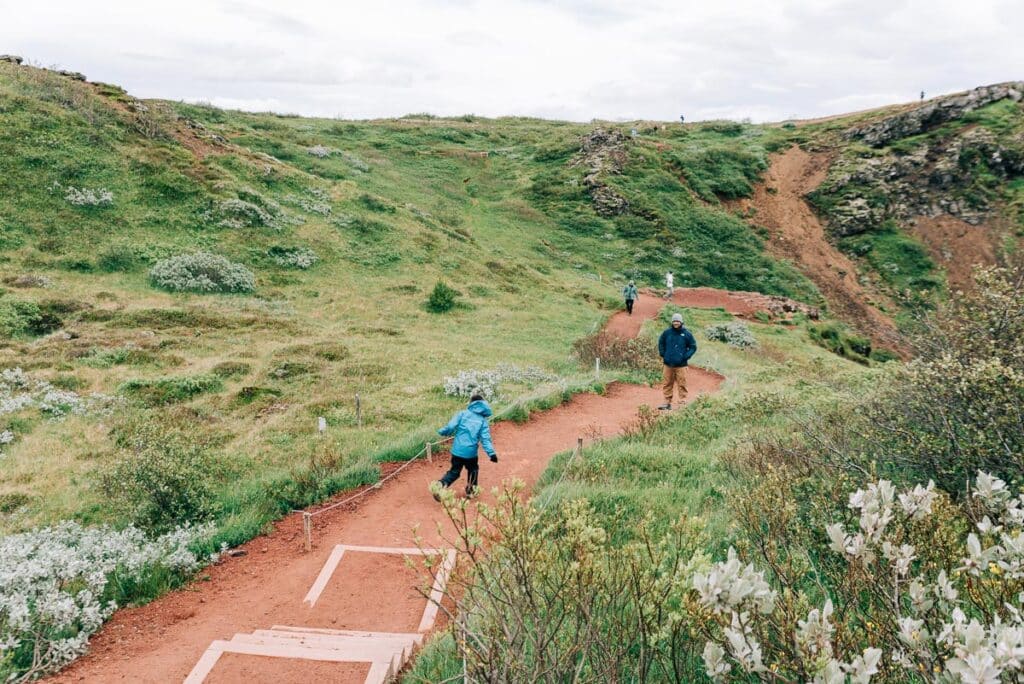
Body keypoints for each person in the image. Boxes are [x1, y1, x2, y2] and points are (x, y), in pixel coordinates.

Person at [432, 393, 498, 500]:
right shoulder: (483, 421)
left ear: (471, 403)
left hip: (457, 451)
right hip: (471, 454)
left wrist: (442, 432)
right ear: (483, 406)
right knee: (473, 470)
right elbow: (485, 439)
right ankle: (470, 492)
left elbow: (451, 426)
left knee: (454, 471)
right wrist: (491, 454)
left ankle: (440, 485)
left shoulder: (462, 414)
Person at [657, 313, 697, 411]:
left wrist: (685, 357)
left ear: (681, 322)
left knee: (682, 383)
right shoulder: (667, 333)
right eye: (674, 321)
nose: (676, 323)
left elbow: (693, 346)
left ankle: (682, 402)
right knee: (667, 383)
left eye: (678, 321)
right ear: (672, 322)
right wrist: (663, 354)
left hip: (681, 365)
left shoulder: (687, 334)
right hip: (668, 364)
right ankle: (667, 402)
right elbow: (661, 343)